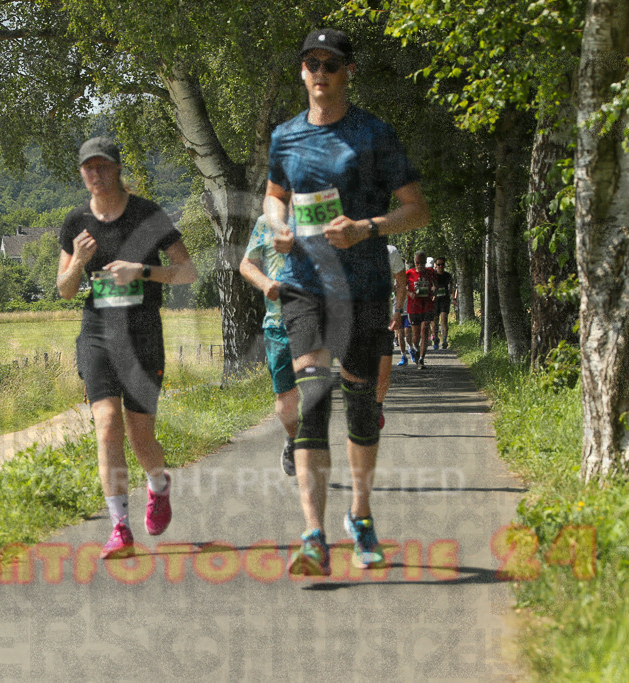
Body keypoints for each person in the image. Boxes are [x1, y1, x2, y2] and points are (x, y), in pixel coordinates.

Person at [265, 28, 430, 575]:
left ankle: (360, 515)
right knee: (312, 400)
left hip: (361, 285)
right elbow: (273, 195)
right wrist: (278, 227)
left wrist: (367, 227)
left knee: (360, 406)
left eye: (330, 64)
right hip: (303, 284)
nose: (319, 72)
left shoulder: (374, 134)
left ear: (347, 71)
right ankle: (312, 536)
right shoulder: (284, 137)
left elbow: (416, 209)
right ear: (302, 71)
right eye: (310, 63)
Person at [56, 136, 198, 560]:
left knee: (140, 434)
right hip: (97, 331)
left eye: (102, 166)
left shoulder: (148, 215)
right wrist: (79, 261)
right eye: (88, 168)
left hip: (142, 334)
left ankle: (158, 486)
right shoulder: (75, 222)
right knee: (107, 423)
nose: (95, 174)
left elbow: (188, 271)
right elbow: (63, 290)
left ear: (117, 168)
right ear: (82, 173)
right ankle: (119, 528)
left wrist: (143, 270)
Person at [239, 215, 300, 476]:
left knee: (313, 389)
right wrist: (265, 284)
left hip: (318, 320)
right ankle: (293, 439)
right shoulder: (268, 221)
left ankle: (312, 447)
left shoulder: (324, 210)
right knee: (285, 397)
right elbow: (247, 263)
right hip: (278, 322)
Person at [375, 244, 408, 428]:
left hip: (383, 320)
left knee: (382, 375)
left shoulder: (390, 252)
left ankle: (377, 405)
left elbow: (402, 283)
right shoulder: (346, 247)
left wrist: (398, 311)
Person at [405, 250, 437, 368]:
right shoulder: (409, 273)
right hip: (413, 308)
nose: (420, 265)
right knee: (416, 335)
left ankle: (422, 359)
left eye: (422, 263)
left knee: (425, 330)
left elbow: (436, 284)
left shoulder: (430, 272)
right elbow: (401, 287)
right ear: (415, 262)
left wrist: (434, 291)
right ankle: (416, 349)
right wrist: (409, 293)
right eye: (418, 263)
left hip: (427, 306)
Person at [432, 257, 456, 349]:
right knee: (434, 321)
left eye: (442, 264)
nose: (440, 266)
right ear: (436, 265)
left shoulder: (447, 275)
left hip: (444, 300)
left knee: (444, 319)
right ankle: (435, 338)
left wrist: (454, 298)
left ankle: (445, 340)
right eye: (439, 264)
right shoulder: (433, 275)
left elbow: (451, 287)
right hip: (434, 300)